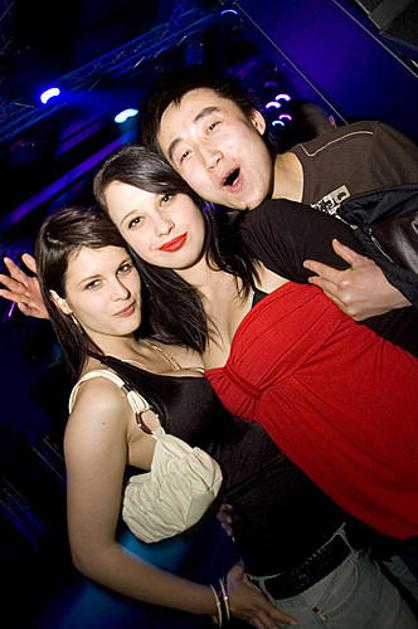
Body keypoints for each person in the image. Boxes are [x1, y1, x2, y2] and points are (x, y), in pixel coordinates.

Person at [30, 203, 418, 629]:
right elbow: (91, 554)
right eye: (93, 284)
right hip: (315, 575)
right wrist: (215, 602)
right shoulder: (100, 401)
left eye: (123, 268)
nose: (120, 292)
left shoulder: (155, 336)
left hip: (358, 523)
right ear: (61, 301)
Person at [88, 145, 418, 595]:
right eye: (135, 221)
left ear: (190, 190)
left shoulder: (267, 232)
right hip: (375, 513)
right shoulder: (173, 328)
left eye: (165, 197)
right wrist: (66, 309)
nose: (162, 226)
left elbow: (401, 305)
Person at [140, 66, 418, 322]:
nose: (209, 158)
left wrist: (401, 289)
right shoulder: (239, 257)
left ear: (255, 120)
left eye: (212, 127)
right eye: (185, 154)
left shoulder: (364, 150)